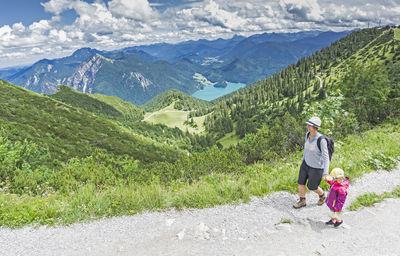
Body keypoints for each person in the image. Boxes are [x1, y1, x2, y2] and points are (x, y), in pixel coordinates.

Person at [293, 116, 329, 209]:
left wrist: (325, 173)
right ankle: (302, 201)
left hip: (316, 167)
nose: (308, 126)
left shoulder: (321, 140)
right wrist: (303, 159)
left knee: (312, 187)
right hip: (306, 164)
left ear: (316, 127)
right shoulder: (307, 135)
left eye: (311, 125)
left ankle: (322, 195)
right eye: (308, 124)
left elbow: (326, 157)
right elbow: (306, 149)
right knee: (301, 182)